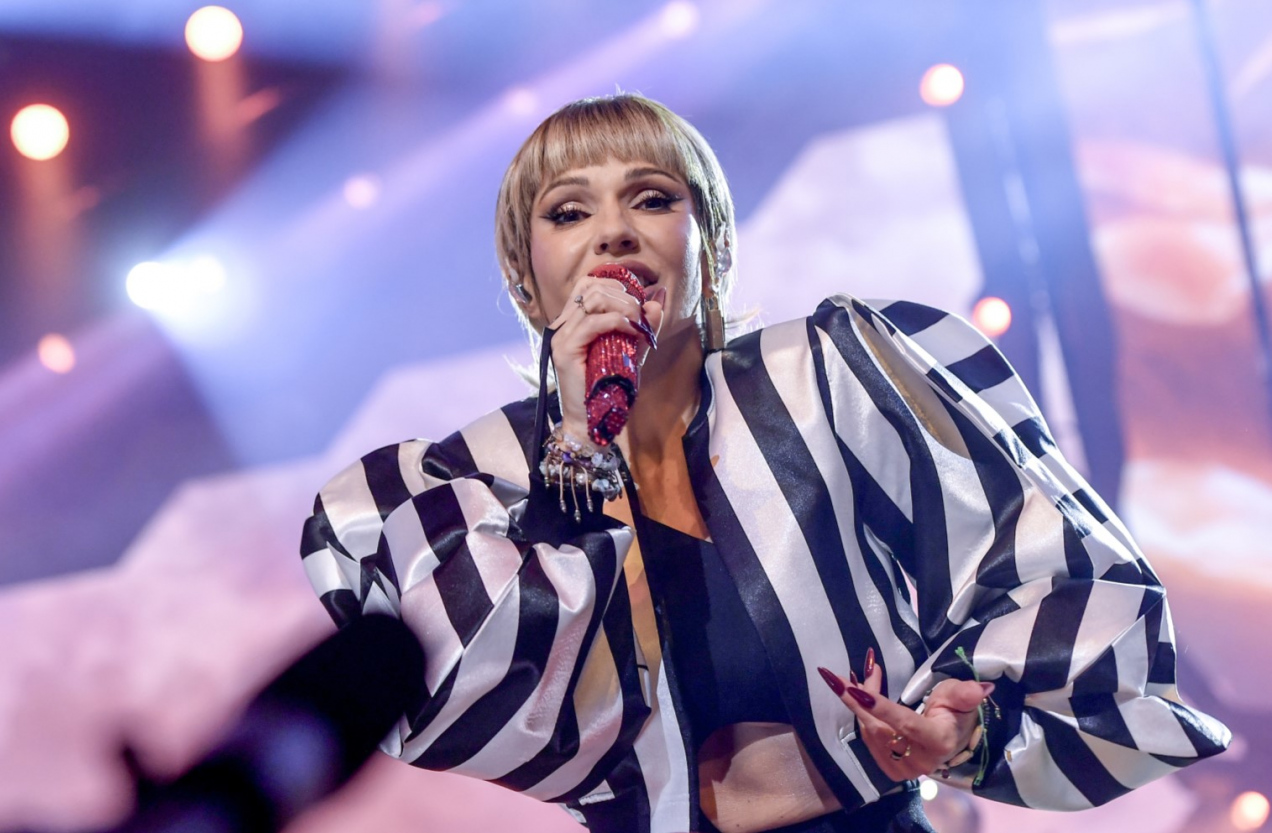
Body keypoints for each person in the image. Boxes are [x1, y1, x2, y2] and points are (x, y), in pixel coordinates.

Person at [299, 94, 1229, 833]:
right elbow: (472, 694)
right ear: (525, 276)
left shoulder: (830, 376)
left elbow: (1054, 562)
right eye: (569, 211)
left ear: (711, 247)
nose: (614, 232)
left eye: (652, 198)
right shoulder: (475, 482)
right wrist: (577, 447)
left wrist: (961, 729)